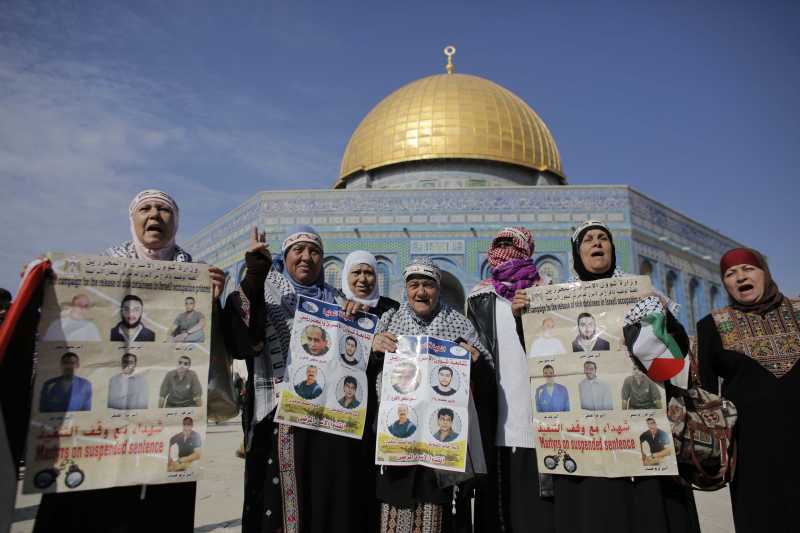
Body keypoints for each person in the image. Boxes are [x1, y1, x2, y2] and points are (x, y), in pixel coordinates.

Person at [34, 189, 226, 533]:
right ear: (132, 219)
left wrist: (215, 301)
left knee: (158, 513)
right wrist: (42, 283)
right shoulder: (99, 272)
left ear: (176, 221)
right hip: (100, 434)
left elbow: (217, 347)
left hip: (159, 432)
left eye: (164, 210)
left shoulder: (196, 277)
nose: (155, 215)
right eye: (146, 209)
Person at [510, 220, 699, 533]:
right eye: (588, 240)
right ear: (576, 252)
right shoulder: (558, 303)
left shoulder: (645, 297)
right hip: (587, 446)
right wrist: (525, 320)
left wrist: (659, 320)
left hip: (640, 430)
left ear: (613, 248)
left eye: (603, 238)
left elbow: (673, 361)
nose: (596, 243)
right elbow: (545, 359)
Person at [221, 227, 380, 533]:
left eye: (314, 251)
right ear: (285, 257)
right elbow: (242, 342)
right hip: (277, 421)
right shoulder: (266, 294)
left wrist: (358, 323)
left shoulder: (337, 300)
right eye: (298, 250)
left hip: (328, 424)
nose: (306, 257)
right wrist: (255, 274)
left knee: (327, 501)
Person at [371, 257, 493, 533]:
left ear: (438, 288)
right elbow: (365, 374)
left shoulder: (459, 325)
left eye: (428, 285)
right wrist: (374, 349)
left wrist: (477, 362)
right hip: (398, 444)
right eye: (414, 285)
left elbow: (485, 376)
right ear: (406, 289)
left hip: (443, 446)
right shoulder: (389, 320)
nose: (421, 292)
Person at [697, 247, 798, 533]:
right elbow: (704, 391)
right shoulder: (712, 326)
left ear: (765, 273)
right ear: (725, 283)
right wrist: (713, 447)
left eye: (748, 269)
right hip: (751, 449)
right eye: (730, 273)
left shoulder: (798, 312)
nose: (740, 276)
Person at [467, 227, 548, 533]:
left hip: (542, 424)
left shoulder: (549, 293)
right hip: (496, 425)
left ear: (527, 249)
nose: (504, 252)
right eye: (498, 245)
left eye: (510, 245)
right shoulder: (480, 298)